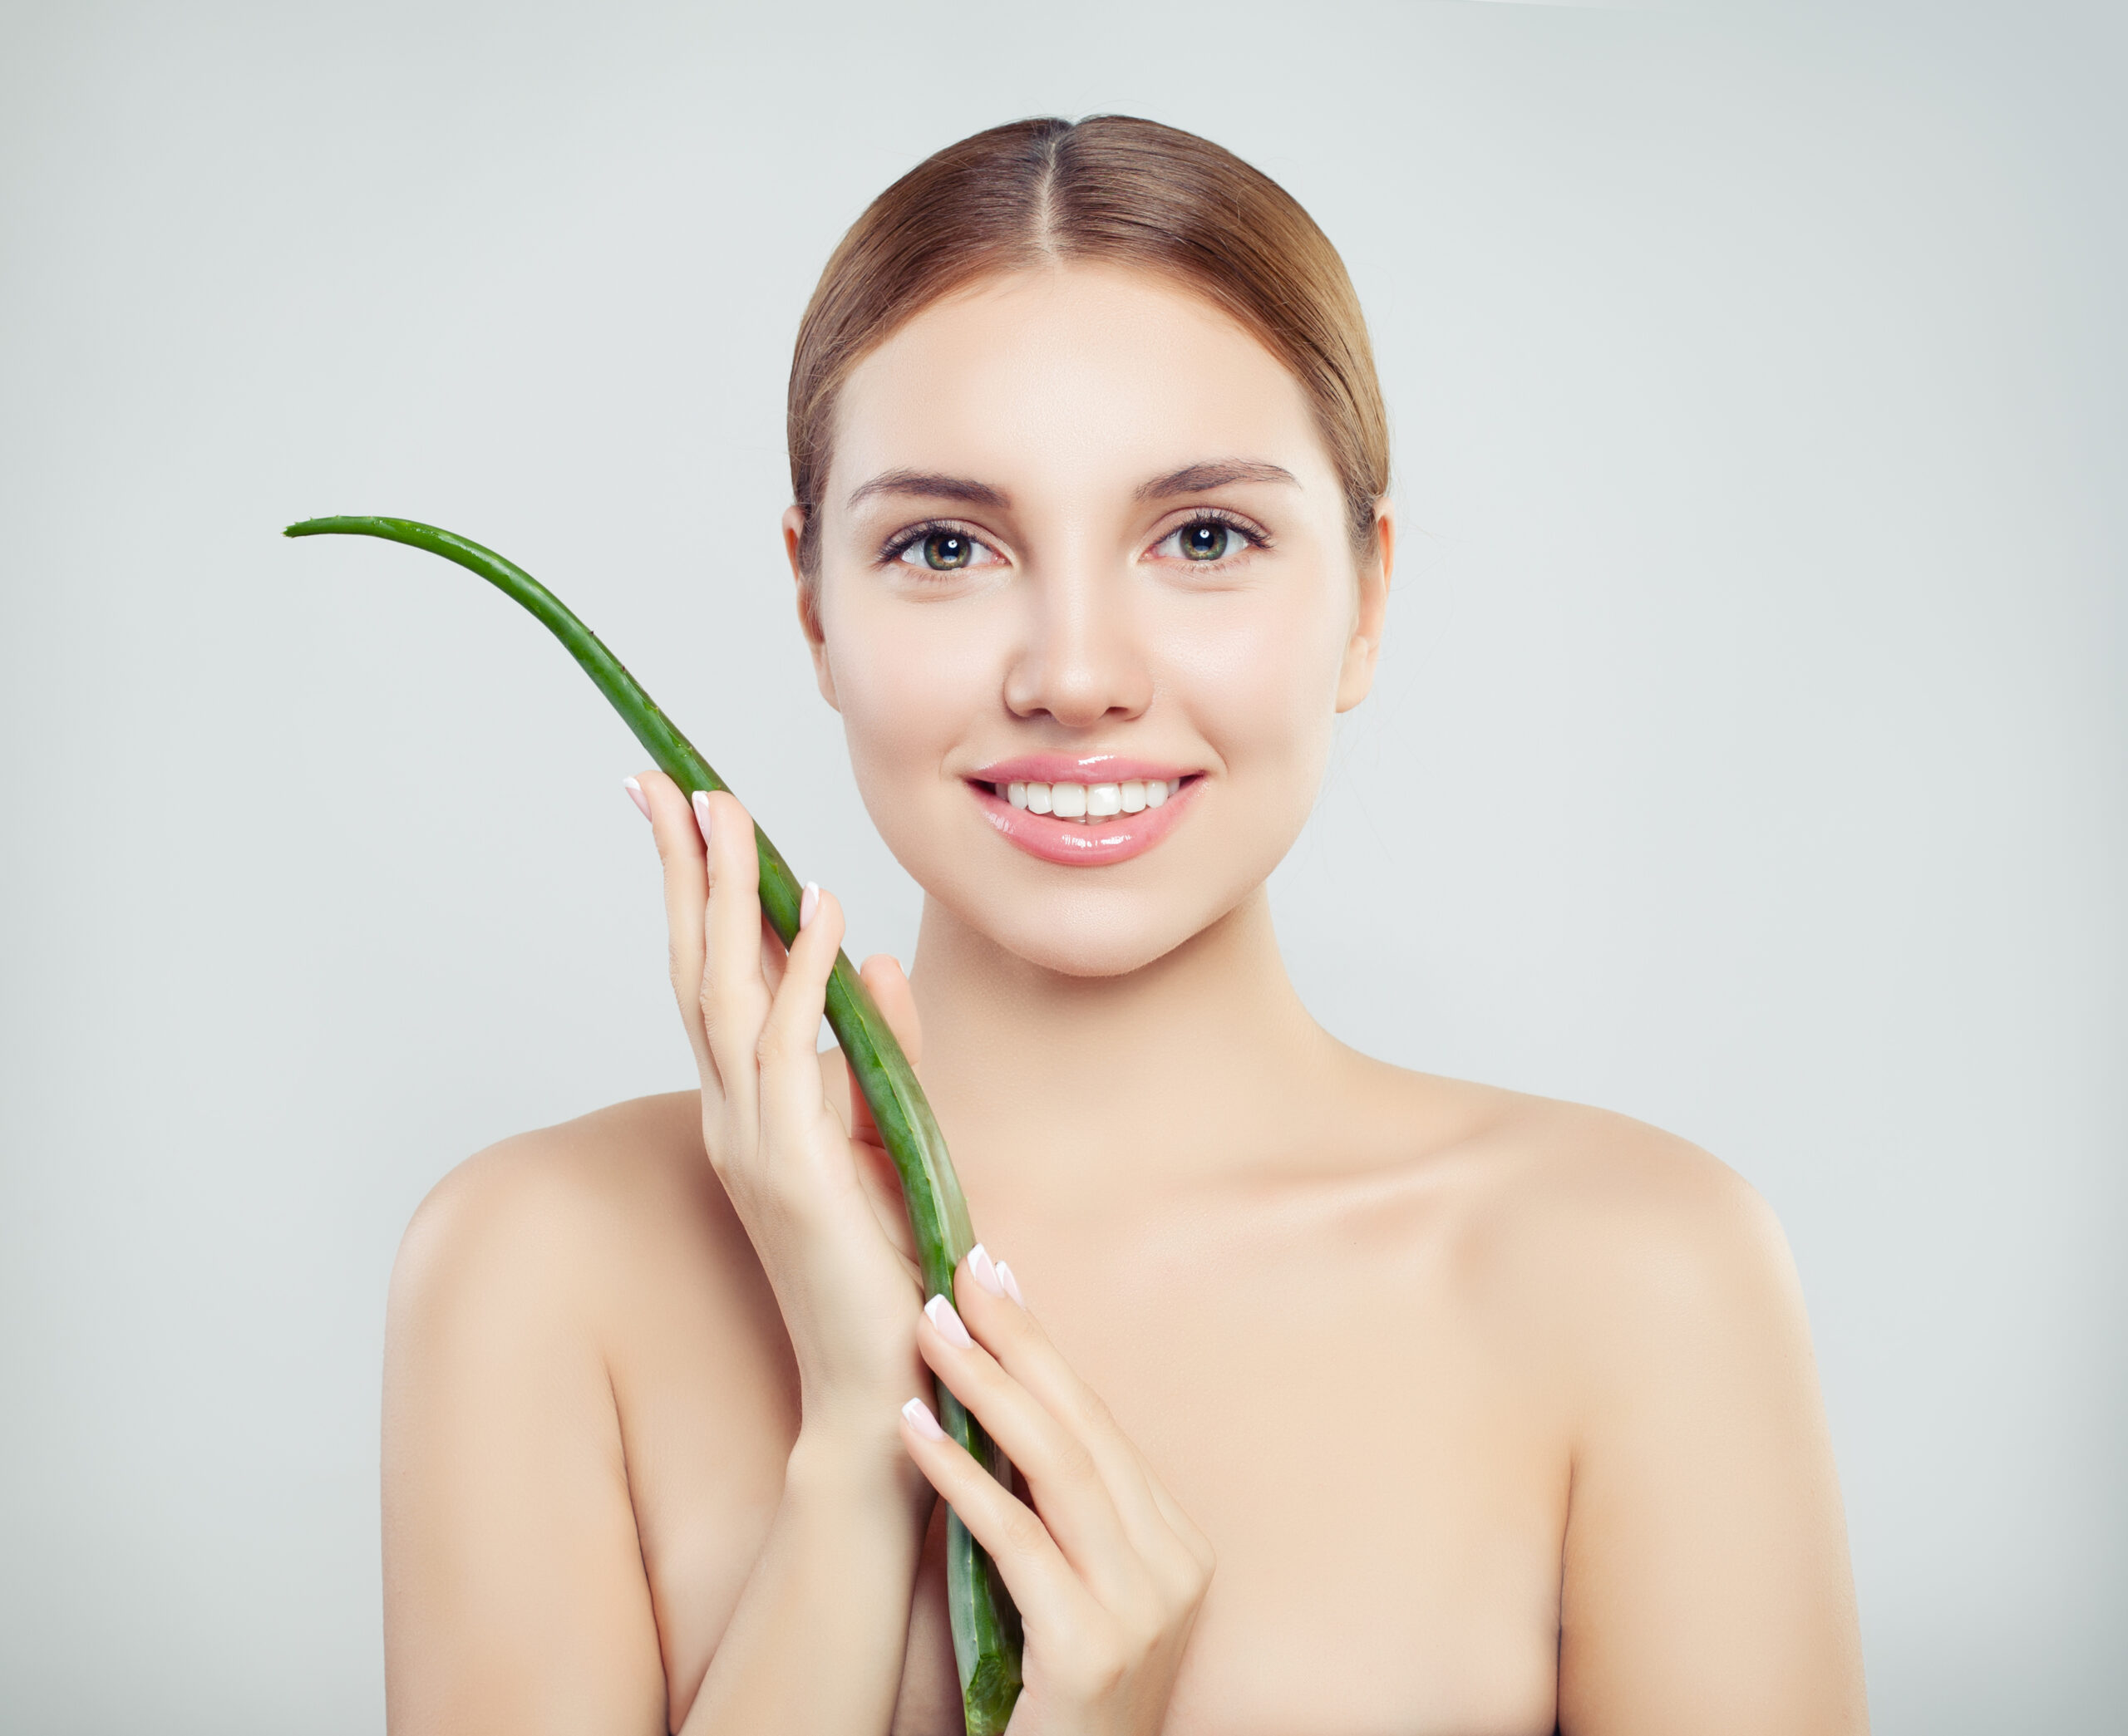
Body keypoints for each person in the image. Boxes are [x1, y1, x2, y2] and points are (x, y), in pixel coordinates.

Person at [380, 116, 1869, 1735]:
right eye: (944, 546)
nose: (1074, 672)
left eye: (1202, 537)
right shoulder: (538, 1271)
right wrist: (850, 1476)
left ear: (1366, 596)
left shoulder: (1639, 1281)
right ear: (814, 608)